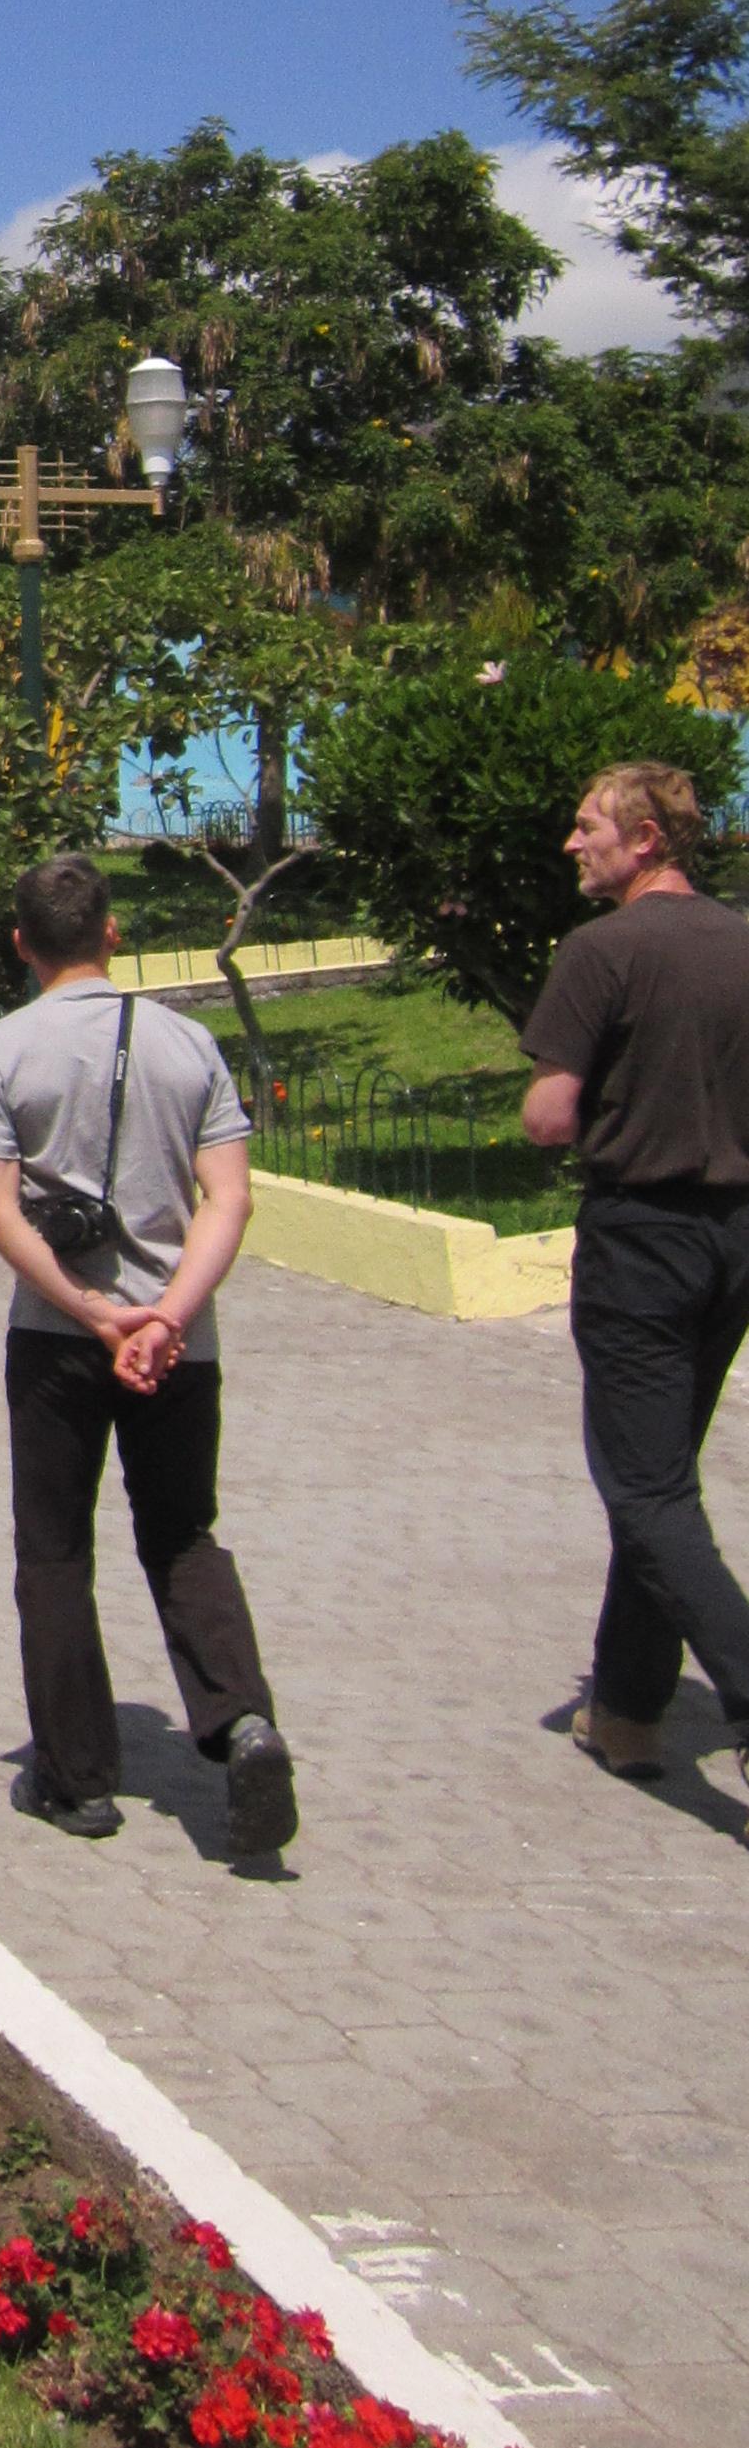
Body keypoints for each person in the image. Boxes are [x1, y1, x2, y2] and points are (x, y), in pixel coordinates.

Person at [0, 852, 298, 1860]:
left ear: (20, 942)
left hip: (58, 1339)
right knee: (183, 1535)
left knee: (55, 1548)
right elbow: (229, 1198)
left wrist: (96, 1314)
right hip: (181, 1347)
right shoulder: (187, 1044)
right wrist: (166, 1315)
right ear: (112, 931)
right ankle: (241, 1721)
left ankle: (77, 1779)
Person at [519, 761, 749, 1807]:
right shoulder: (741, 942)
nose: (574, 845)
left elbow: (549, 1116)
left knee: (648, 1488)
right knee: (659, 1481)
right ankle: (627, 1711)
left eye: (587, 827)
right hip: (734, 1241)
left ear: (645, 839)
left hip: (642, 1241)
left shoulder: (601, 951)